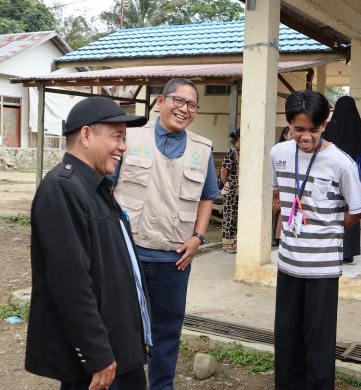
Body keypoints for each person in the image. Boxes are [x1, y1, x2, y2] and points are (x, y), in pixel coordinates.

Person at [26, 97, 150, 390]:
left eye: (124, 138)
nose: (123, 147)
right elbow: (70, 283)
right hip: (100, 360)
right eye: (117, 137)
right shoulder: (62, 189)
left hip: (119, 348)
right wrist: (97, 353)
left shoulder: (94, 185)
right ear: (86, 135)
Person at [112, 78, 219, 390]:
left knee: (167, 331)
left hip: (174, 260)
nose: (184, 109)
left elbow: (207, 196)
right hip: (127, 254)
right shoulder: (129, 137)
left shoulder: (202, 149)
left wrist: (198, 238)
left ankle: (161, 386)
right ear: (160, 100)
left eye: (192, 104)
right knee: (123, 327)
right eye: (178, 101)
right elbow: (106, 188)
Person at [271, 90, 361, 389]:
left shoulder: (342, 163)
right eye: (299, 129)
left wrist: (330, 227)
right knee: (286, 339)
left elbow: (358, 209)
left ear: (325, 124)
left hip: (322, 270)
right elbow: (280, 193)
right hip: (288, 263)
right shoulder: (279, 154)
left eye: (315, 129)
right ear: (288, 125)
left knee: (318, 343)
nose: (306, 137)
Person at [322, 95, 361, 264]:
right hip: (351, 177)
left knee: (332, 211)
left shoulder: (329, 129)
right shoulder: (358, 129)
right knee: (352, 209)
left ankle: (330, 248)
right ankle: (347, 253)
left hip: (330, 179)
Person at [272, 126, 293, 246]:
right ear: (285, 136)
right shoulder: (278, 151)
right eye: (290, 133)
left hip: (289, 188)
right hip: (281, 187)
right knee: (279, 211)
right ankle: (278, 237)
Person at [220, 129, 240, 253]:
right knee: (230, 216)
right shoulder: (231, 152)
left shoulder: (241, 152)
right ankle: (227, 244)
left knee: (237, 216)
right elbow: (224, 171)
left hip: (240, 189)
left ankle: (235, 242)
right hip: (232, 189)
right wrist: (228, 184)